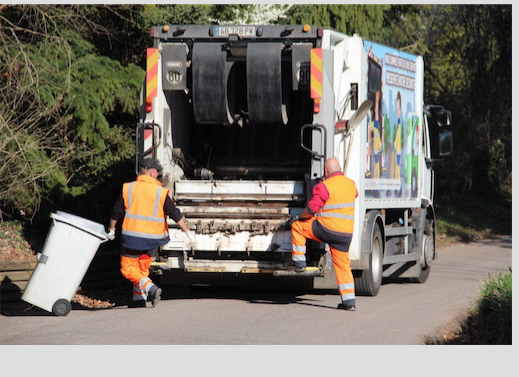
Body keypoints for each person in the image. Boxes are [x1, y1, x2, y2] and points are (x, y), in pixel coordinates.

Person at [108, 158, 194, 308]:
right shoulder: (161, 192)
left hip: (132, 237)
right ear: (153, 173)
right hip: (152, 239)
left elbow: (116, 211)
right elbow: (174, 213)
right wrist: (187, 231)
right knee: (142, 268)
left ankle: (150, 288)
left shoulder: (129, 188)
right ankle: (138, 300)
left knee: (128, 268)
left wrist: (111, 229)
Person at [290, 157, 358, 311]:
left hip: (326, 230)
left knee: (297, 227)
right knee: (343, 266)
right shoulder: (351, 184)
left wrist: (300, 217)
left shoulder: (324, 186)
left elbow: (312, 209)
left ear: (326, 171)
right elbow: (351, 196)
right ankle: (349, 302)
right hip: (345, 234)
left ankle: (299, 263)